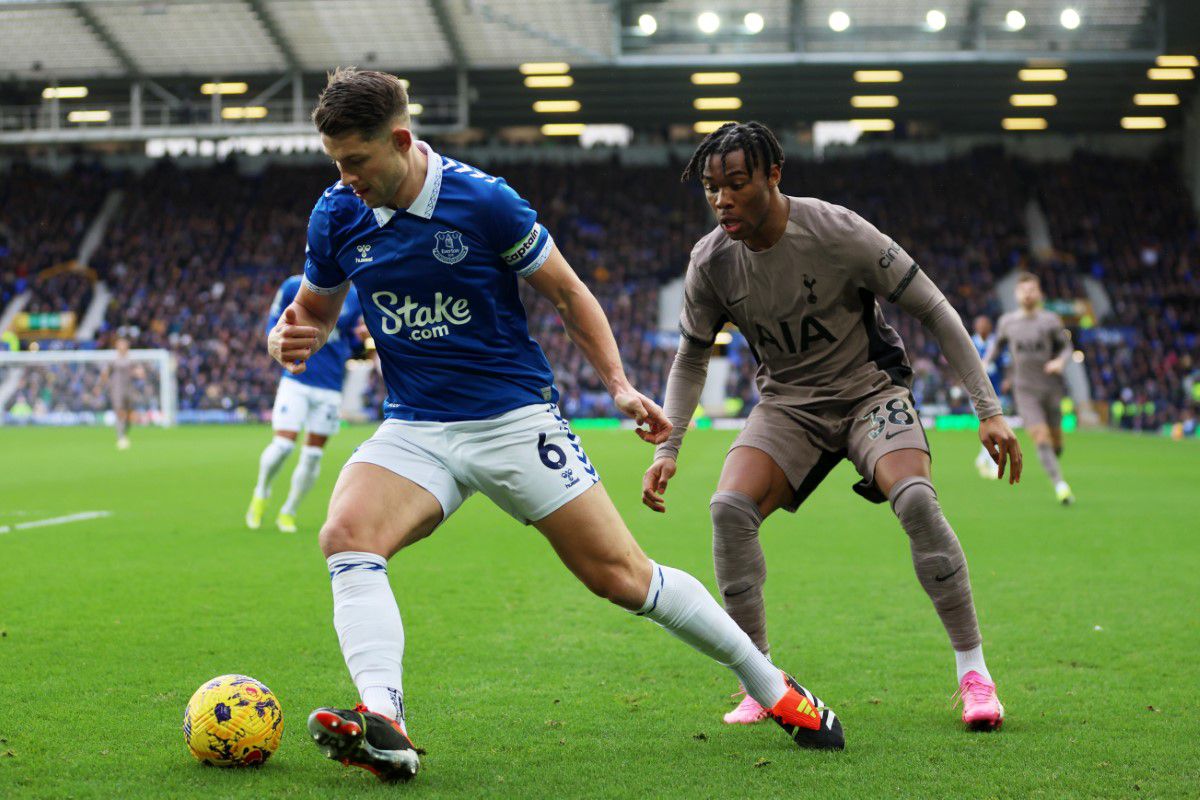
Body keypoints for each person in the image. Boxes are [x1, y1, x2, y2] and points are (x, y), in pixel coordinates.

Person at [267, 70, 843, 784]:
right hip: (415, 425)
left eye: (355, 161)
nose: (345, 177)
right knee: (346, 537)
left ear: (401, 140)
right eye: (335, 163)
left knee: (624, 578)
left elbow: (569, 293)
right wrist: (287, 341)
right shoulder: (336, 213)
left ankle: (775, 688)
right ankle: (385, 722)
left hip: (512, 418)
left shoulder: (484, 201)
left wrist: (620, 386)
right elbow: (314, 319)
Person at [641, 122, 1021, 733]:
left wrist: (989, 409)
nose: (722, 200)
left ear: (774, 175)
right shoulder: (711, 261)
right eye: (712, 188)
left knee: (917, 500)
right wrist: (670, 445)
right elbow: (691, 356)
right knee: (727, 511)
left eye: (736, 184)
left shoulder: (838, 231)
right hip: (790, 405)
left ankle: (974, 673)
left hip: (869, 392)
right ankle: (761, 680)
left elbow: (935, 309)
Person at [246, 274, 363, 533]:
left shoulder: (355, 296)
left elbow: (352, 343)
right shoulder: (292, 286)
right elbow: (272, 325)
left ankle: (288, 511)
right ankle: (261, 492)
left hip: (331, 385)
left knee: (312, 455)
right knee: (283, 445)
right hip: (297, 379)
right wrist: (278, 341)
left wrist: (360, 338)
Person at [983, 272, 1074, 505]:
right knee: (1040, 437)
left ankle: (1054, 459)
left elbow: (1066, 348)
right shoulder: (1008, 322)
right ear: (1016, 294)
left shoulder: (1050, 320)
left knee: (1056, 443)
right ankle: (1060, 486)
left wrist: (1060, 362)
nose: (1028, 294)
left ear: (1039, 293)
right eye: (1023, 290)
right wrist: (983, 364)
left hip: (1051, 388)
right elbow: (996, 347)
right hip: (1024, 390)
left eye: (1032, 289)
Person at [971, 315, 1003, 478]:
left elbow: (1005, 363)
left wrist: (1008, 380)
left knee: (990, 424)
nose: (982, 327)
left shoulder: (995, 343)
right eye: (980, 324)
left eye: (985, 324)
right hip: (977, 392)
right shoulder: (969, 341)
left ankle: (983, 458)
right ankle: (991, 461)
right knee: (989, 424)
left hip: (995, 390)